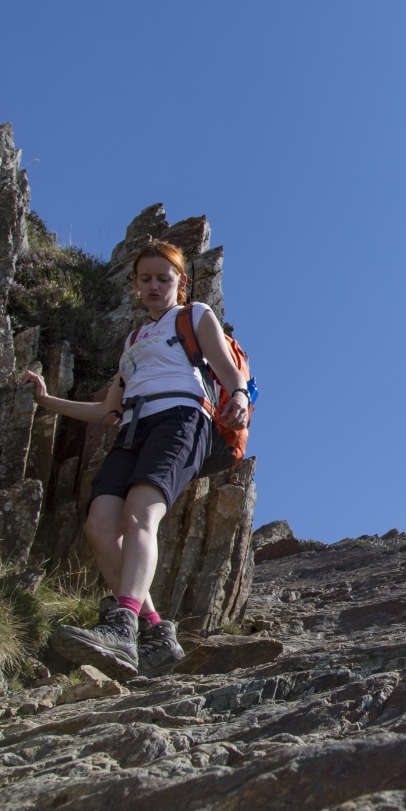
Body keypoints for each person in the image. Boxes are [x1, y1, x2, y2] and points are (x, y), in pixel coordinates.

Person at [23, 239, 252, 678]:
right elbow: (106, 412)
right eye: (145, 278)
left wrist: (238, 394)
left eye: (163, 279)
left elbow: (227, 366)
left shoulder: (193, 315)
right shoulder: (133, 340)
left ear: (180, 283)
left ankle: (122, 625)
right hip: (132, 427)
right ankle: (155, 635)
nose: (153, 285)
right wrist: (47, 400)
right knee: (100, 523)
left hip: (182, 419)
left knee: (140, 515)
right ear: (134, 284)